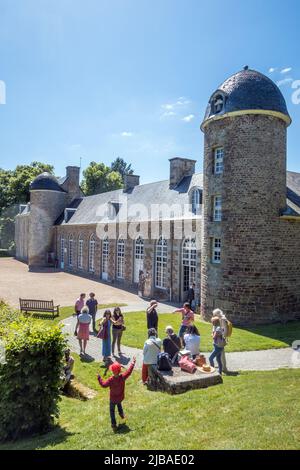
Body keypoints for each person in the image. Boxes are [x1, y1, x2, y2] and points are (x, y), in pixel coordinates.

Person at [97, 357, 136, 432]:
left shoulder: (111, 380)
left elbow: (103, 385)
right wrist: (133, 363)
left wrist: (99, 378)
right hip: (120, 397)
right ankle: (121, 414)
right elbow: (129, 371)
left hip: (113, 399)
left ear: (112, 371)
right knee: (119, 403)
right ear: (120, 370)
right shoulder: (123, 377)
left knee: (112, 411)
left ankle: (114, 425)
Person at [212, 308, 229, 374]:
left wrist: (221, 337)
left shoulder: (223, 319)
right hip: (217, 339)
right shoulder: (218, 319)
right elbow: (215, 327)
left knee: (222, 354)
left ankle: (224, 368)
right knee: (218, 354)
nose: (213, 316)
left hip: (220, 340)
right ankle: (220, 366)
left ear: (217, 314)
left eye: (214, 315)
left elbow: (225, 330)